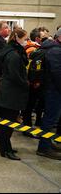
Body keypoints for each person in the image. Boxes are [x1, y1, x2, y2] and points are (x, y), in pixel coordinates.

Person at [0, 28, 29, 160]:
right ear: (17, 38)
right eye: (25, 39)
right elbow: (15, 75)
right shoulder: (13, 55)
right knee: (7, 123)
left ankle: (5, 147)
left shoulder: (12, 51)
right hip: (11, 93)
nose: (27, 42)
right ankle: (5, 149)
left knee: (8, 122)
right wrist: (26, 83)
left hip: (9, 91)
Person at [36, 28, 61, 160]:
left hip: (54, 90)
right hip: (54, 90)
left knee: (52, 118)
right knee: (50, 119)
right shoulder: (56, 51)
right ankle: (43, 148)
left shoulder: (56, 49)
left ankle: (47, 143)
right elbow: (57, 73)